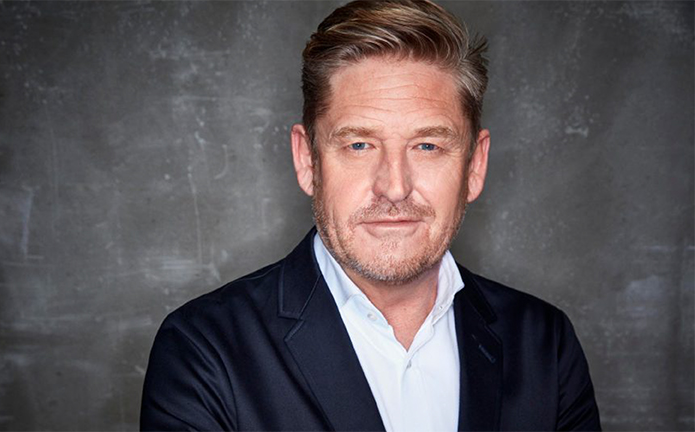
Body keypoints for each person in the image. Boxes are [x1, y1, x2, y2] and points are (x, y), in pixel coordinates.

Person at [140, 0, 601, 430]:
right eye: (359, 145)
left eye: (427, 145)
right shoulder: (204, 350)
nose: (394, 186)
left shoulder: (545, 344)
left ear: (474, 166)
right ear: (307, 161)